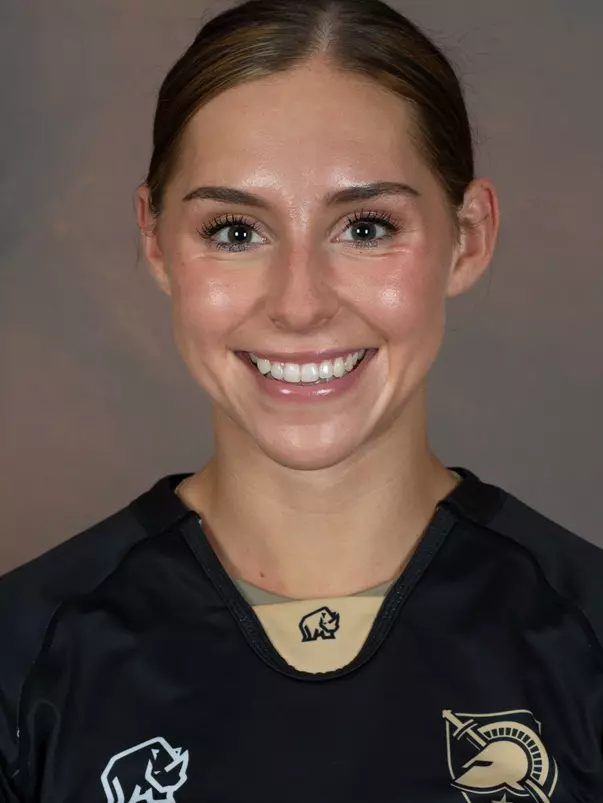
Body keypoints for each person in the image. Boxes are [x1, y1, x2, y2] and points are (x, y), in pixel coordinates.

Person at [1, 0, 602, 800]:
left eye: (363, 226)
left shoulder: (583, 640)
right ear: (155, 241)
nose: (299, 303)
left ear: (468, 236)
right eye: (234, 231)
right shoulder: (25, 657)